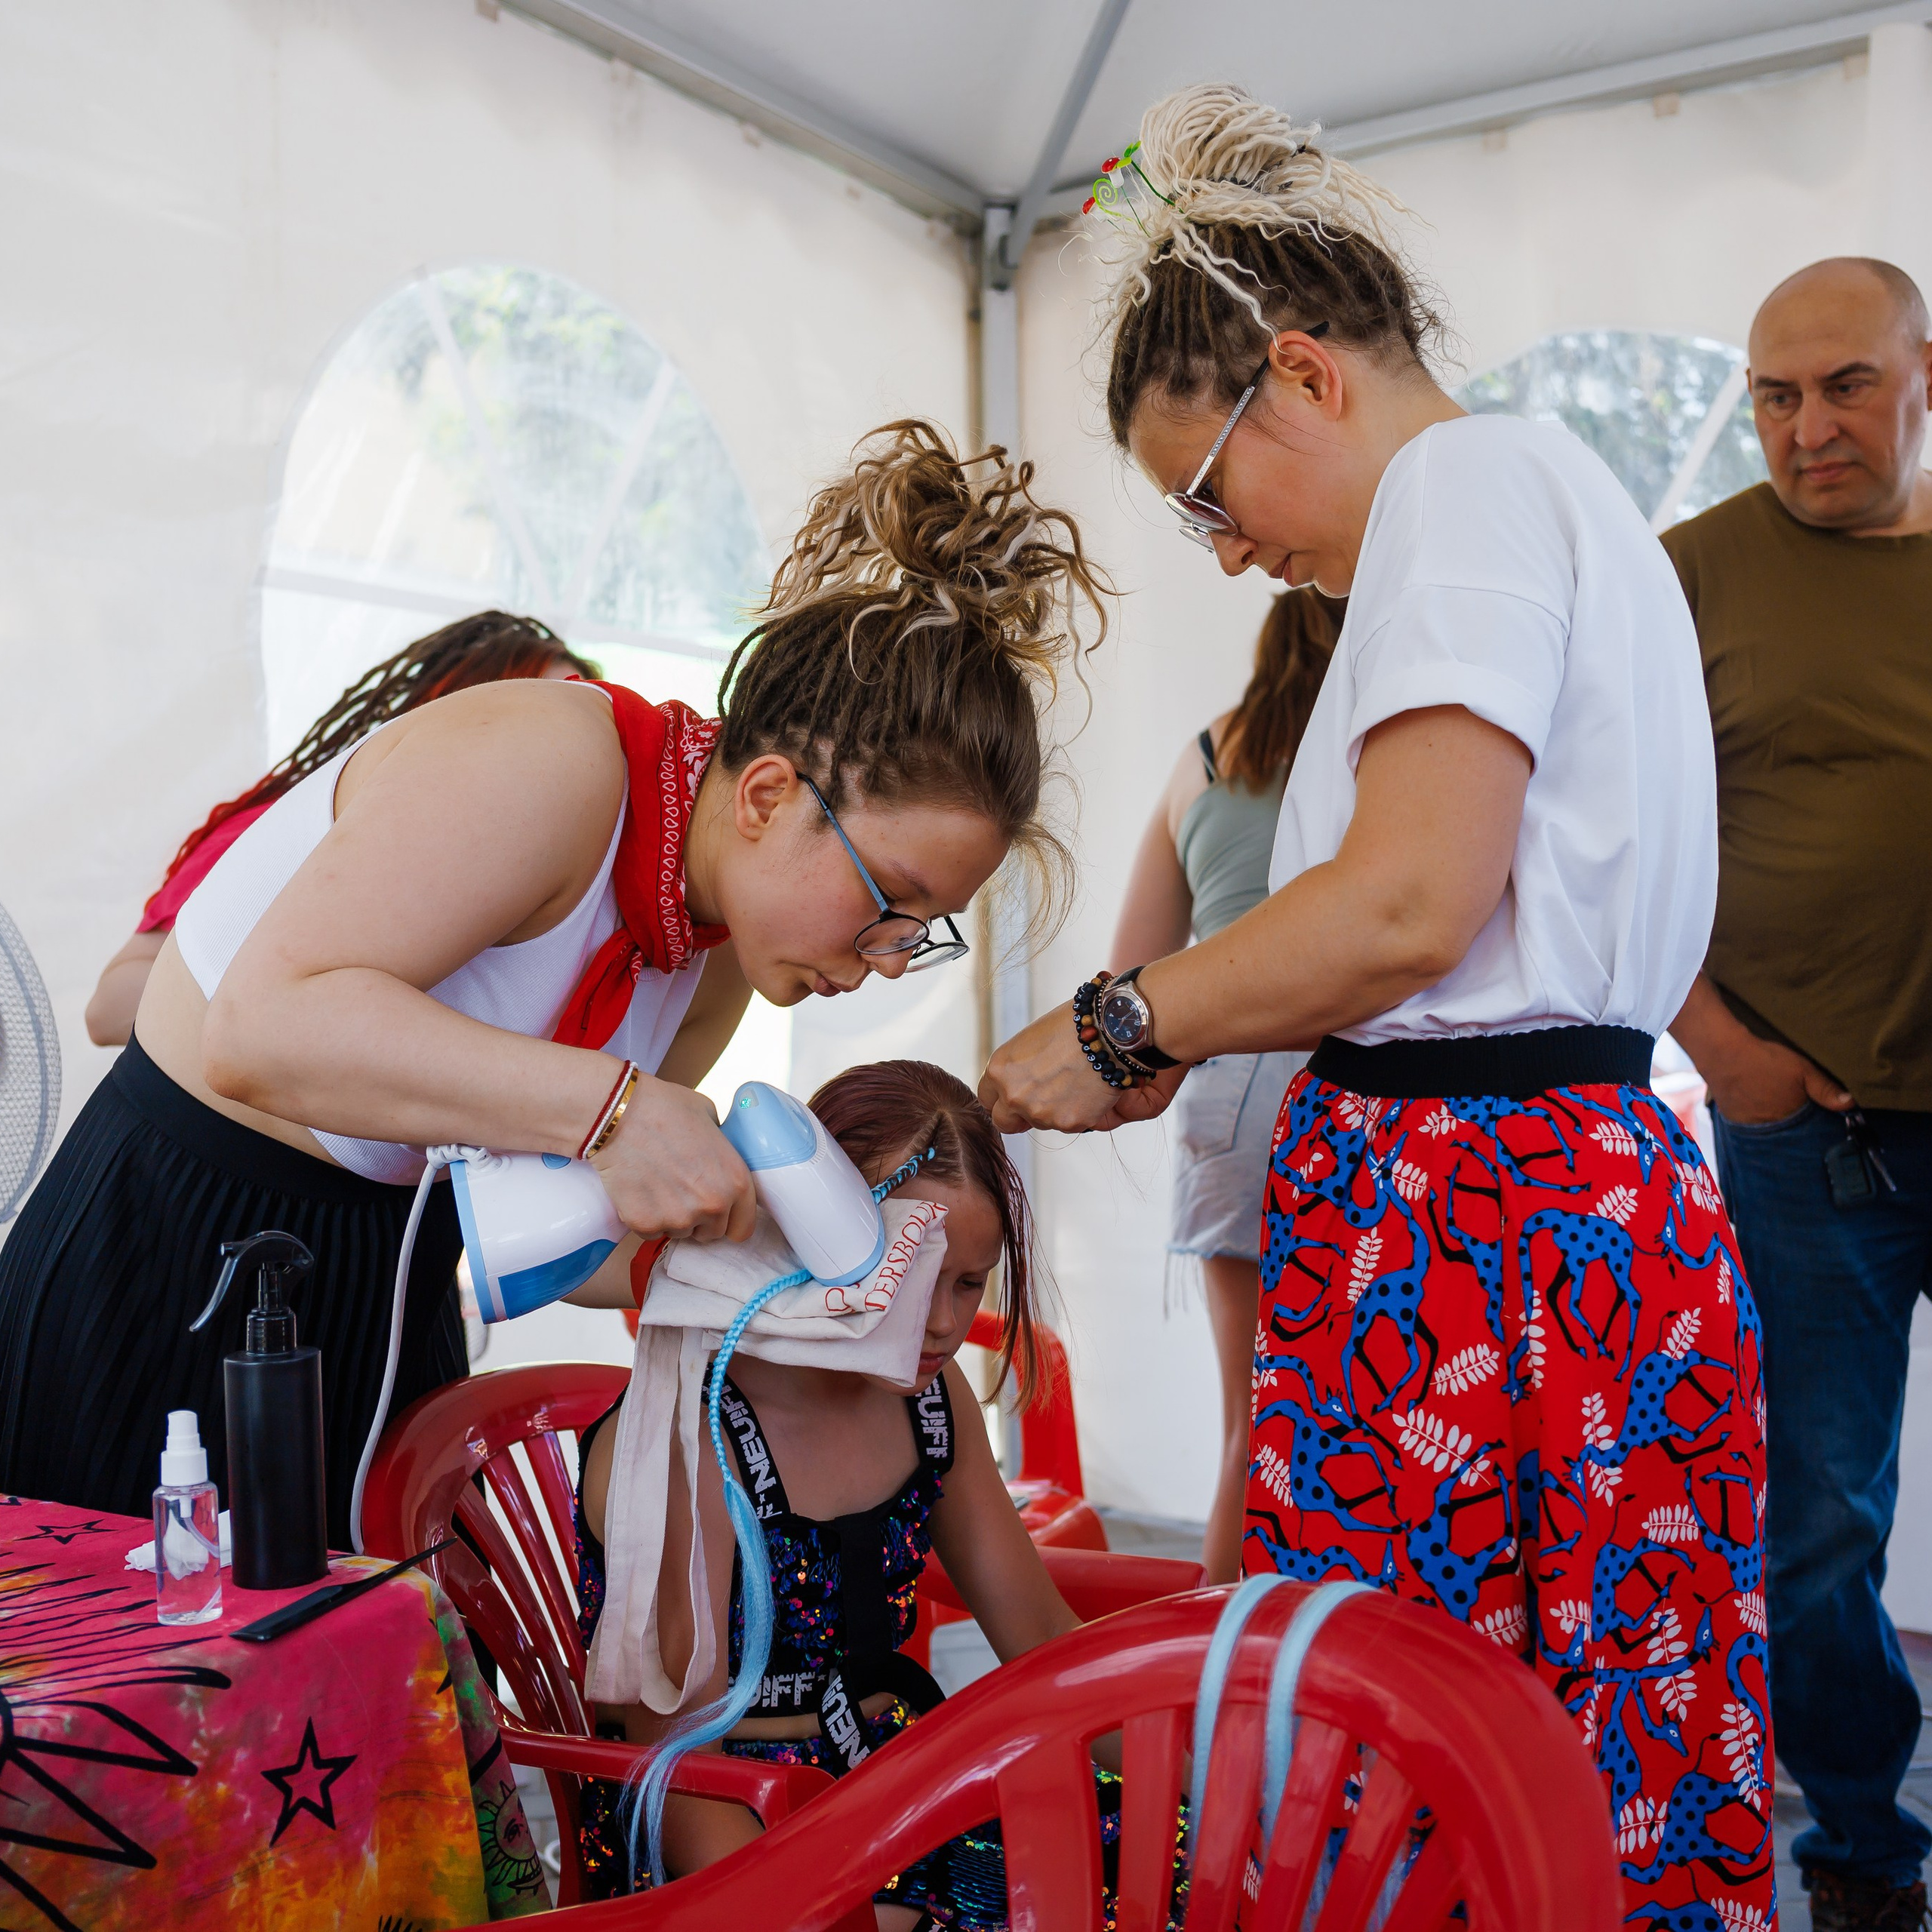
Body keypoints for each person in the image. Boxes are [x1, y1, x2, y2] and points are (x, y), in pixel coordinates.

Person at [980, 86, 1774, 1924]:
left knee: (1441, 1746)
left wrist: (1120, 1022)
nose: (1226, 553)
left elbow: (1412, 899)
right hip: (1519, 1202)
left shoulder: (1464, 490)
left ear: (1302, 375)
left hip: (1485, 1229)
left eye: (1204, 495)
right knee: (1578, 1725)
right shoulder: (1525, 508)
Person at [0, 420, 1106, 1550]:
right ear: (769, 794)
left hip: (388, 1285)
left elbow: (564, 1224)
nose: (881, 960)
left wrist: (770, 1278)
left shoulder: (713, 952)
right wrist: (617, 1111)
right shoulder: (551, 767)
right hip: (173, 1255)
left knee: (377, 1710)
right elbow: (263, 1026)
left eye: (920, 935)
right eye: (888, 902)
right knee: (128, 1709)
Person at [573, 1060, 1183, 1927]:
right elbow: (676, 1767)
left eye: (969, 1282)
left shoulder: (933, 1404)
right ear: (813, 1235)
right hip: (731, 1831)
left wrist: (1211, 1779)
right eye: (913, 1274)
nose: (940, 1322)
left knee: (1190, 1864)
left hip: (896, 1790)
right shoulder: (693, 1430)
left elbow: (1043, 1638)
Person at [1661, 256, 1932, 1932]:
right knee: (1821, 1520)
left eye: (1840, 384)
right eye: (1771, 394)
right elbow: (1596, 848)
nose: (1802, 426)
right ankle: (1858, 1851)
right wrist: (1720, 1046)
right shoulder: (1684, 574)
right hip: (1806, 1126)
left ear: (1921, 375)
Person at [1109, 586, 1341, 1581]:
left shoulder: (1206, 758)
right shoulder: (1391, 757)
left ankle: (1216, 1703)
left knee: (1252, 1429)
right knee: (1362, 1419)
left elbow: (1131, 972)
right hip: (1348, 1084)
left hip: (1220, 1095)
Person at [84, 613, 598, 1048]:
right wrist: (275, 1010)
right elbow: (108, 1008)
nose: (555, 734)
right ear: (451, 705)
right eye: (536, 706)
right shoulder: (290, 822)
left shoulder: (539, 884)